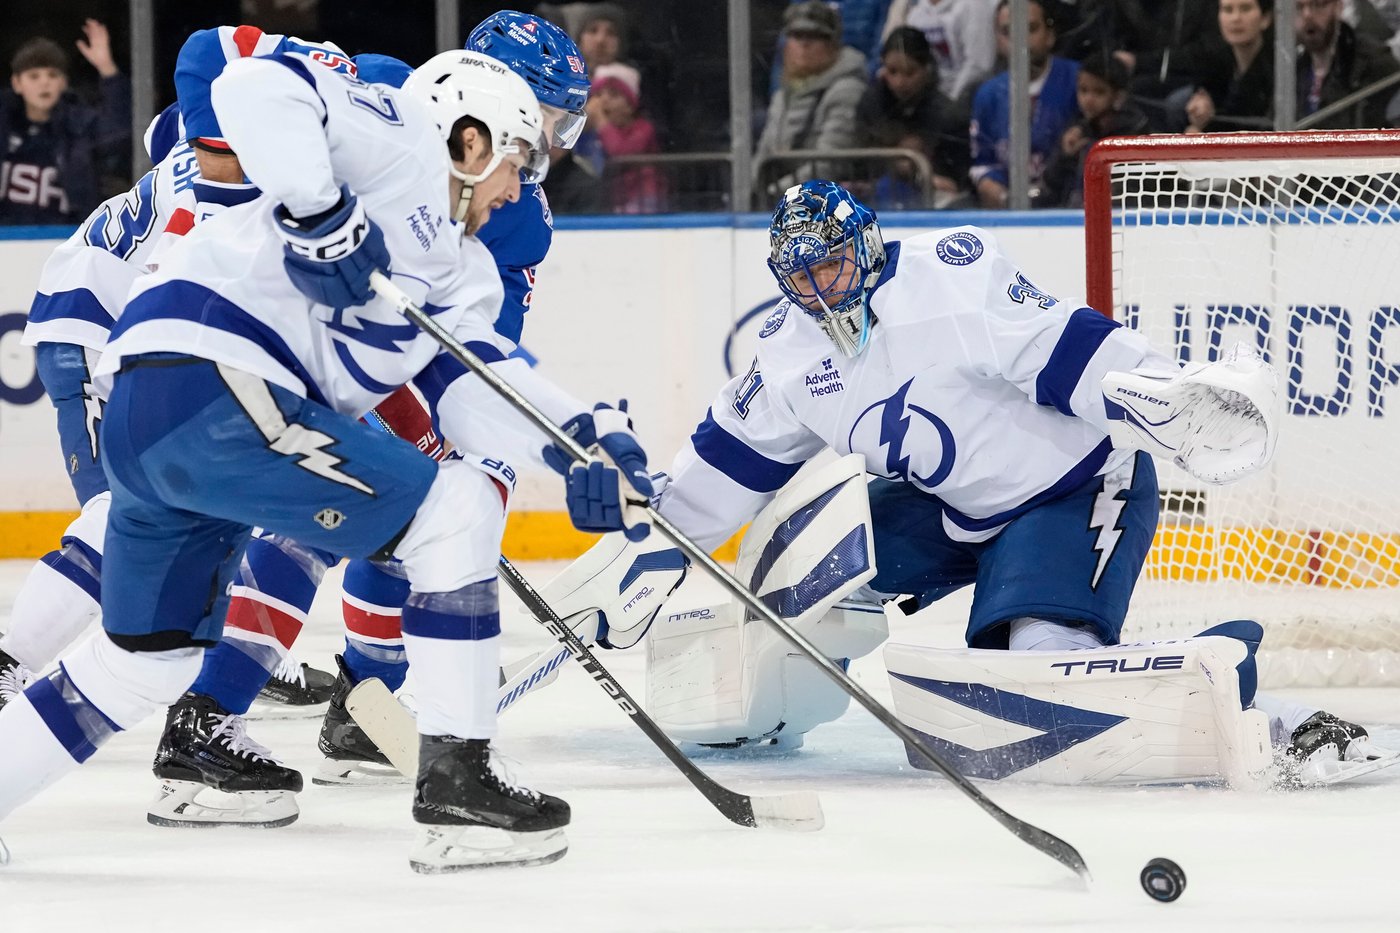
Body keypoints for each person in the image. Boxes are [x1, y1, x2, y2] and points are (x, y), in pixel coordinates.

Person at [0, 45, 654, 872]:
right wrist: (318, 210)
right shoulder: (400, 133)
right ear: (471, 137)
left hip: (161, 417)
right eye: (520, 162)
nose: (521, 190)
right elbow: (249, 82)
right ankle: (460, 779)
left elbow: (475, 381)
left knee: (142, 662)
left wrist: (586, 446)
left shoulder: (462, 273)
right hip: (212, 382)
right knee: (457, 508)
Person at [615, 179, 1382, 784]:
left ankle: (1276, 717)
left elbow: (1063, 349)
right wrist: (644, 543)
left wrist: (1159, 391)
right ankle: (759, 705)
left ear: (867, 243)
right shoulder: (788, 352)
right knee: (791, 570)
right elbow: (728, 464)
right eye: (803, 276)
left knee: (1036, 680)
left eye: (834, 263)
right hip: (949, 509)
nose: (823, 290)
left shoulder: (948, 275)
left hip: (1071, 490)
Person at [1, 23, 131, 224]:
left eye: (53, 75)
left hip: (65, 237)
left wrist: (107, 69)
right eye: (34, 76)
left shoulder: (79, 126)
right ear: (17, 83)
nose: (44, 83)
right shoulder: (5, 125)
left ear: (63, 83)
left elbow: (118, 136)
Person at [968, 0, 1079, 208]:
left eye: (1031, 28)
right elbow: (983, 162)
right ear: (997, 40)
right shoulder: (988, 95)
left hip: (1068, 207)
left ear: (1050, 35)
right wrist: (995, 189)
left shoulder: (1078, 81)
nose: (1020, 39)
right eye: (1007, 31)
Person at [755, 1, 869, 197]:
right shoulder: (783, 93)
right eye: (797, 35)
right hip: (780, 201)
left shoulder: (847, 89)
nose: (804, 44)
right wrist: (751, 189)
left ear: (833, 44)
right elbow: (764, 153)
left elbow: (828, 165)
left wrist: (776, 192)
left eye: (816, 36)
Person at [854, 26, 969, 208]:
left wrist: (929, 177)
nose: (900, 82)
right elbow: (859, 161)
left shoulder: (947, 114)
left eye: (909, 73)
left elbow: (957, 177)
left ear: (926, 69)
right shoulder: (871, 103)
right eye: (892, 71)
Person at [1038, 54, 1148, 208]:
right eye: (1083, 90)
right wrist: (1065, 156)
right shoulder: (1076, 131)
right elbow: (1050, 189)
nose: (1088, 99)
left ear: (1119, 97)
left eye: (1099, 92)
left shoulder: (1135, 134)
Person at [1296, 0, 1400, 128]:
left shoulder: (1373, 63)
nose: (1307, 15)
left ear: (1339, 7)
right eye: (1298, 7)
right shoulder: (1293, 69)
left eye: (1318, 5)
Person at [1184, 0, 1274, 134]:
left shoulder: (1276, 67)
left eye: (1245, 9)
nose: (1235, 18)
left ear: (1265, 18)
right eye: (1227, 10)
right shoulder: (1215, 61)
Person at [591, 62, 664, 213]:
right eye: (598, 95)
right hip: (608, 201)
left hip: (643, 201)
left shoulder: (644, 129)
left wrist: (602, 123)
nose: (603, 101)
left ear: (631, 105)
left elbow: (621, 152)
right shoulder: (594, 133)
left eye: (614, 95)